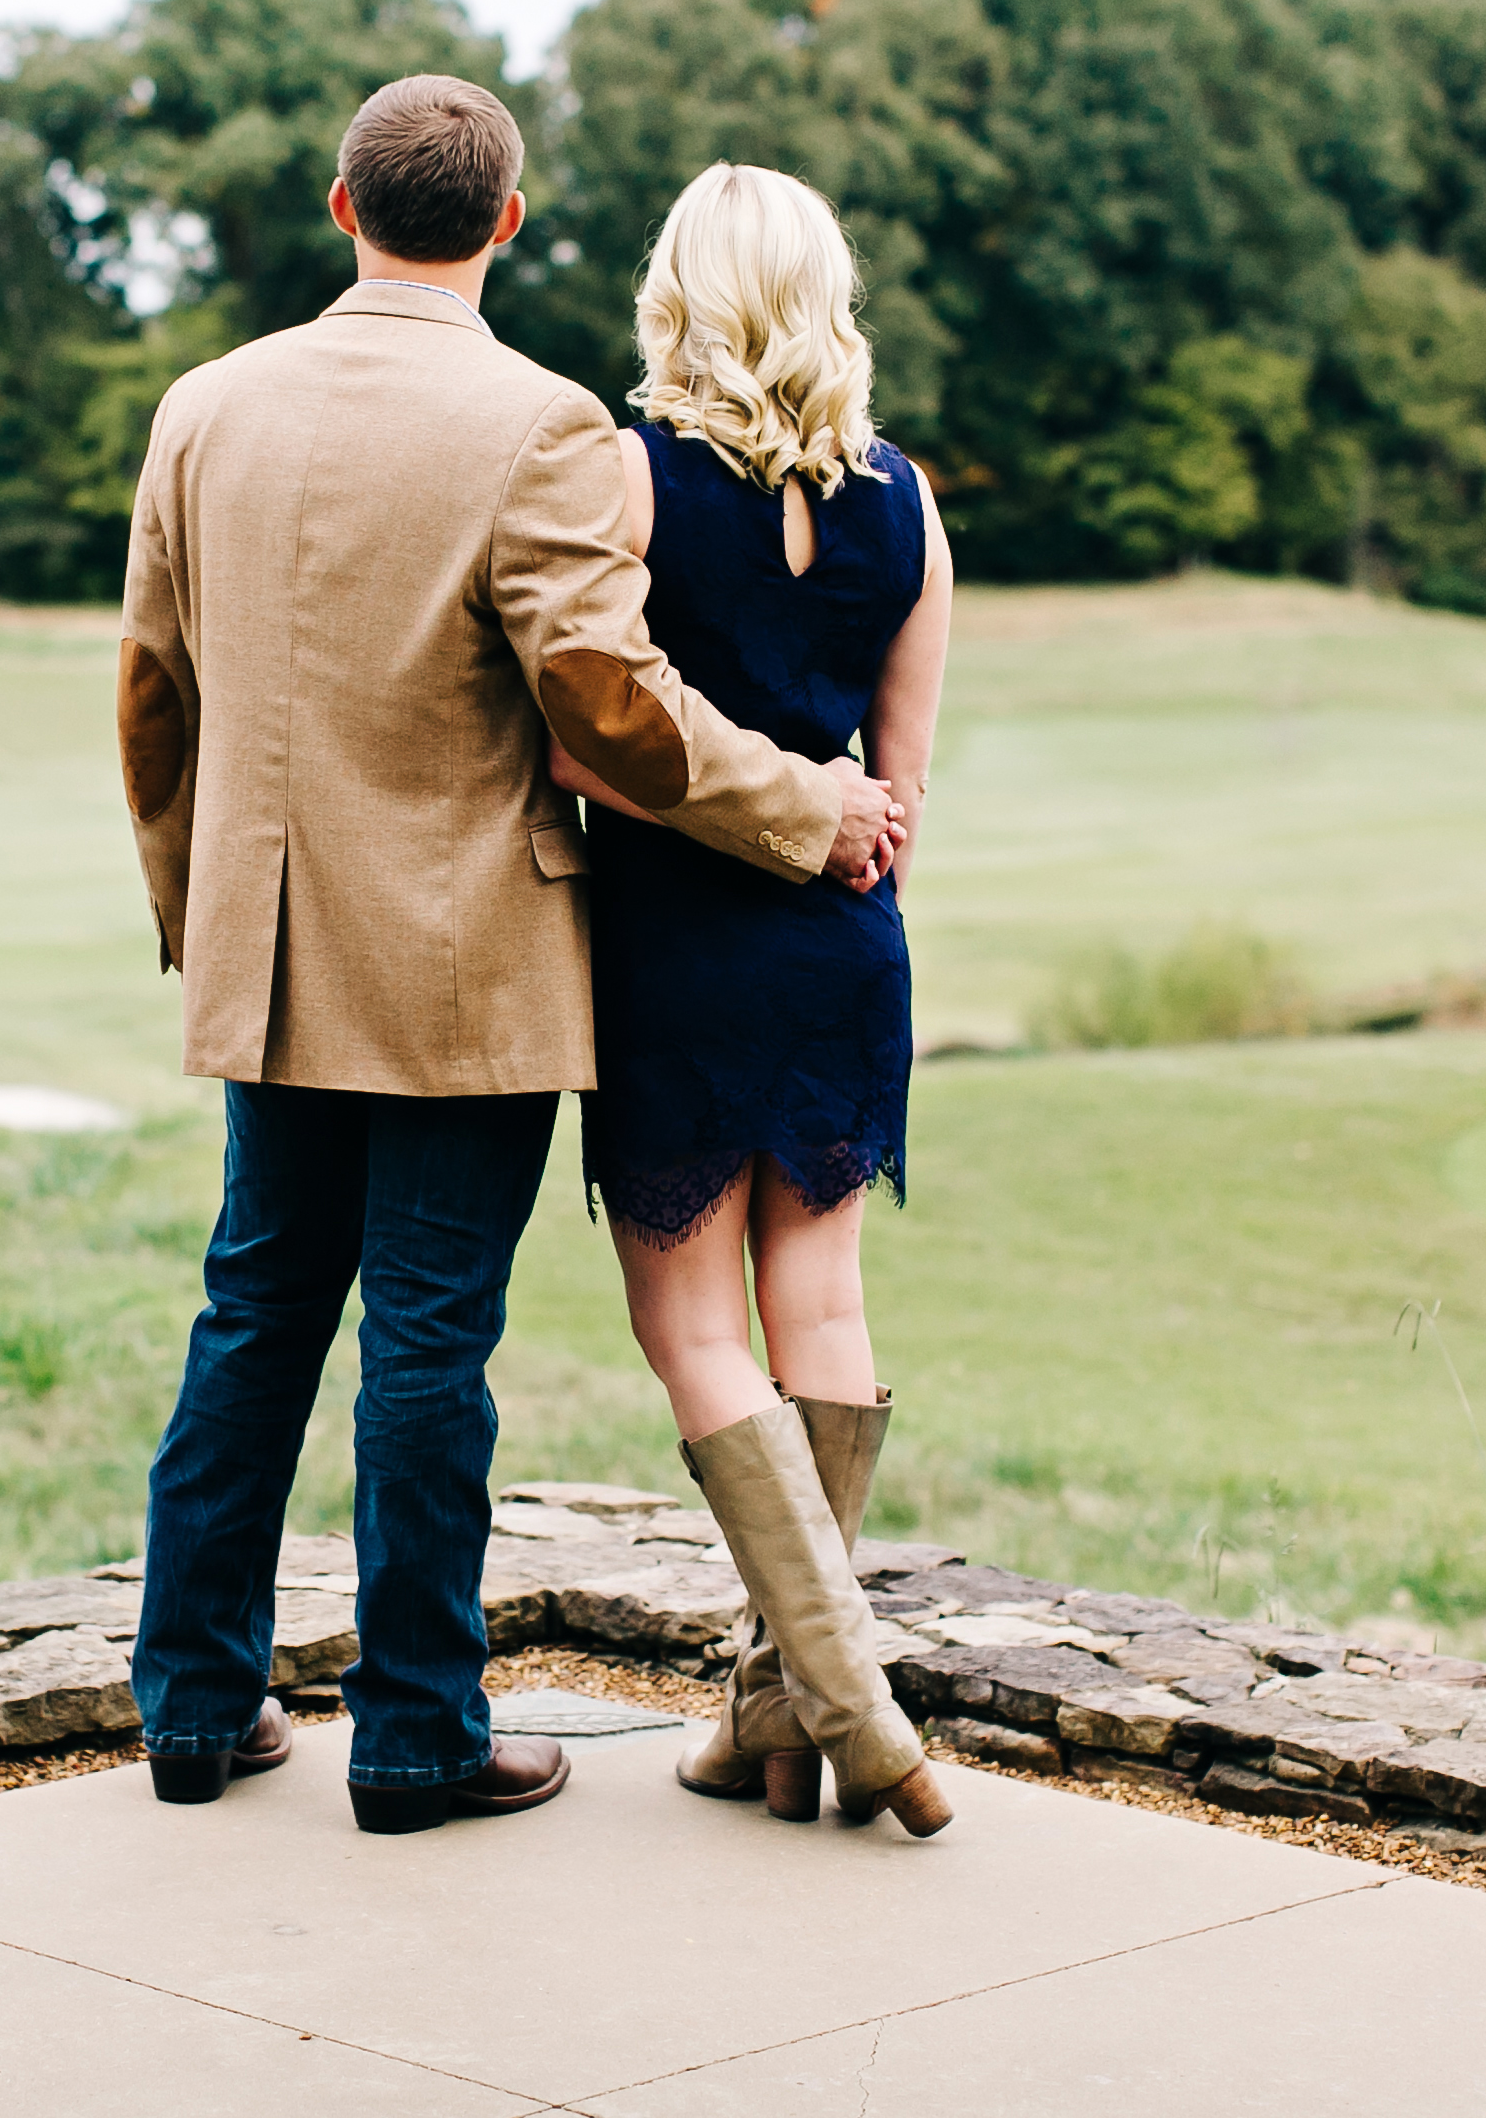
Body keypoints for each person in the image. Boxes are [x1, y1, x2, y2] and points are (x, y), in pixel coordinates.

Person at [116, 79, 907, 1835]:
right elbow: (611, 715)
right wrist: (808, 811)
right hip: (469, 961)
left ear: (341, 206)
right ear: (510, 221)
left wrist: (198, 913)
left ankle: (191, 1707)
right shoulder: (540, 426)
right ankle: (412, 1737)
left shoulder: (203, 406)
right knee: (426, 1342)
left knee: (251, 1317)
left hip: (271, 948)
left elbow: (154, 688)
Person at [548, 162, 957, 1839]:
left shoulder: (631, 484)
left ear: (680, 297)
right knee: (824, 1302)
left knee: (692, 1328)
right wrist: (839, 881)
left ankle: (854, 1713)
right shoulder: (910, 505)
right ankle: (771, 1719)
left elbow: (585, 743)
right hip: (845, 946)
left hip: (676, 946)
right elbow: (902, 796)